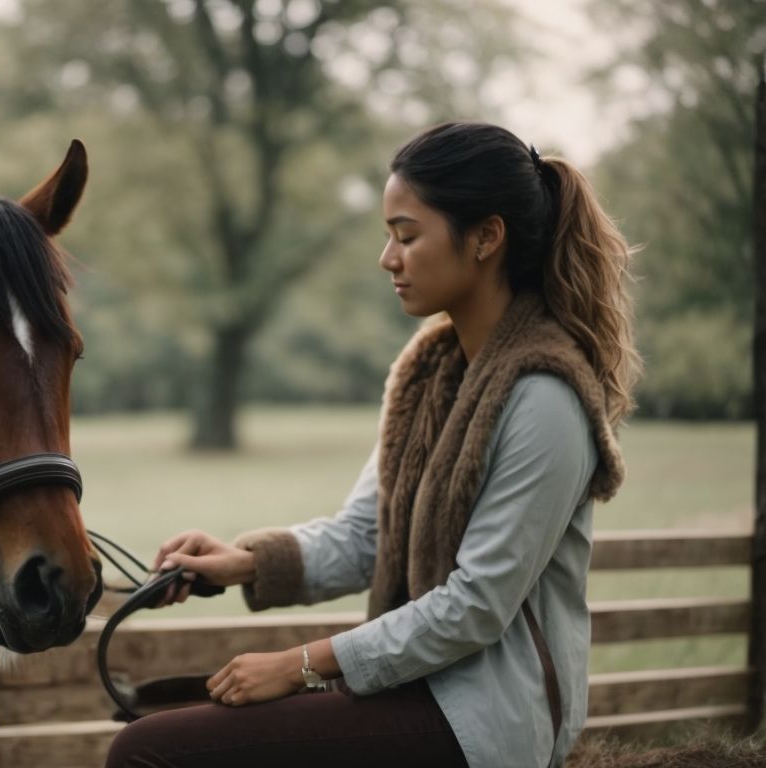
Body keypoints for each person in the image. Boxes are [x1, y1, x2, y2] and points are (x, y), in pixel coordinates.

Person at [105, 121, 640, 768]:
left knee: (148, 753)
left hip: (490, 720)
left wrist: (300, 666)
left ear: (486, 238)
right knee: (166, 731)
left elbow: (475, 607)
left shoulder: (545, 397)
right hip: (413, 689)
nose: (389, 258)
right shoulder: (430, 375)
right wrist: (243, 561)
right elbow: (369, 534)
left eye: (407, 236)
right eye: (389, 236)